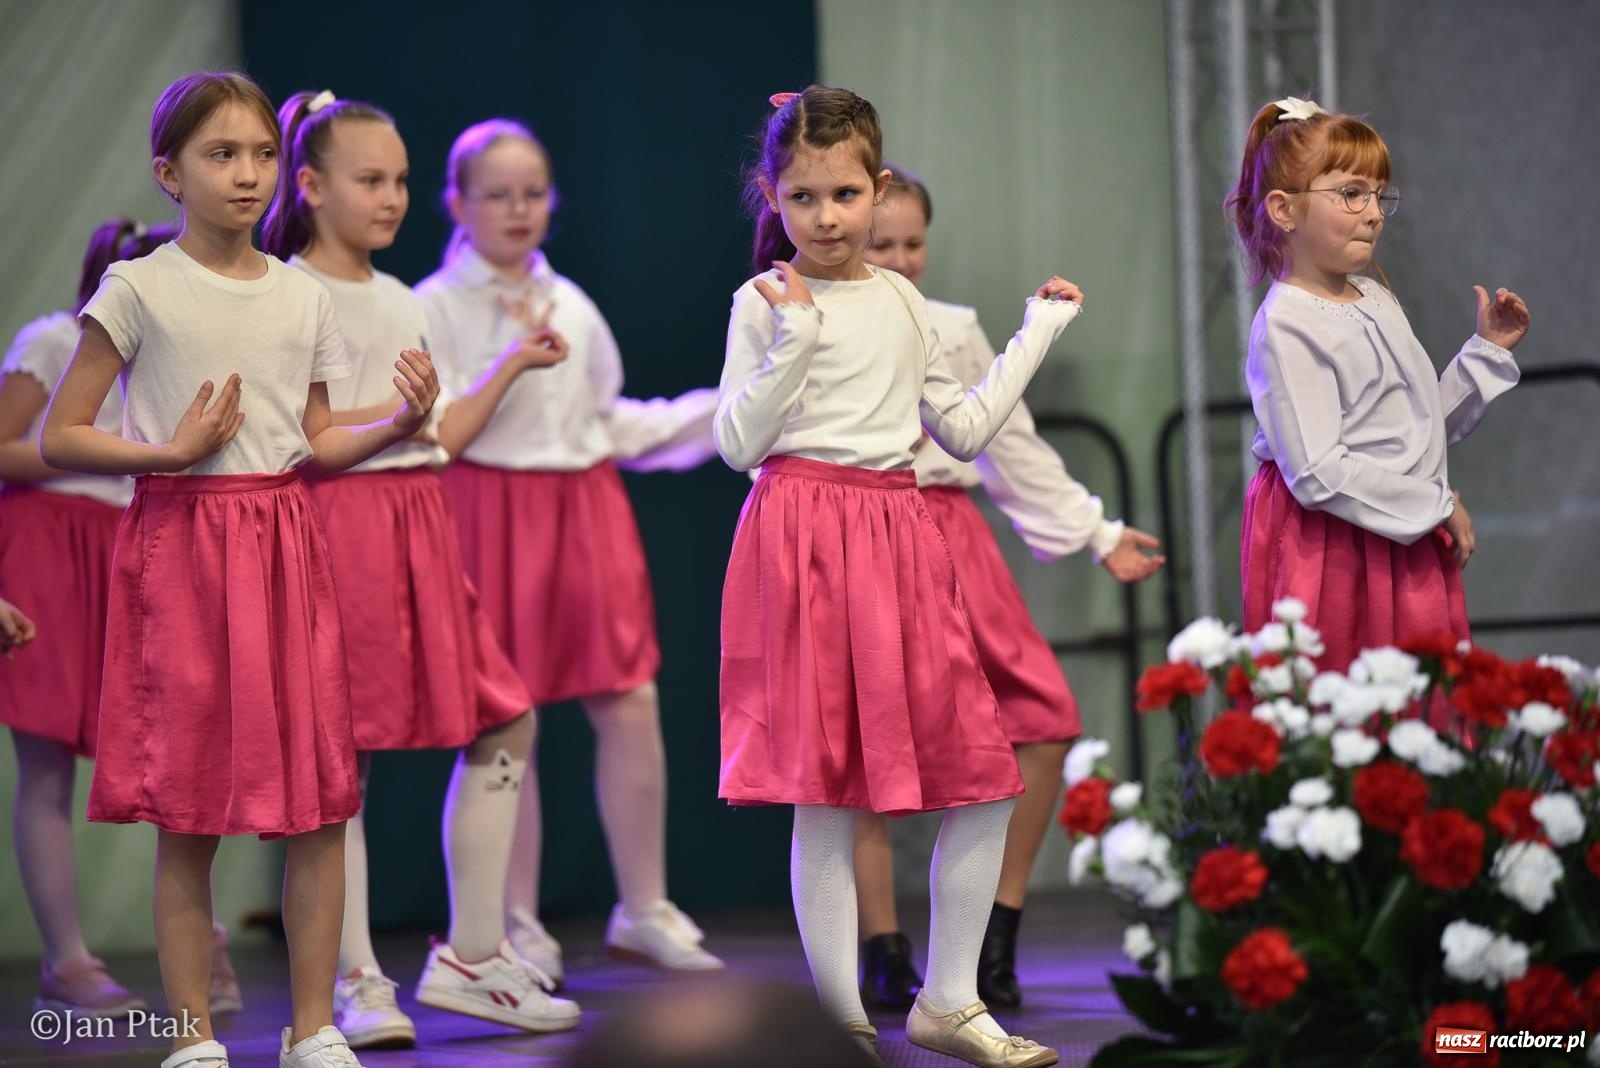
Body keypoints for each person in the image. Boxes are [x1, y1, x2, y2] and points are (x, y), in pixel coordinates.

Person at [41, 69, 439, 1068]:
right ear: (168, 172)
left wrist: (400, 423)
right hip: (181, 550)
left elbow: (307, 437)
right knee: (189, 808)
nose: (247, 174)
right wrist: (166, 455)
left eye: (262, 154)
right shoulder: (138, 288)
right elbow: (62, 434)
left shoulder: (302, 297)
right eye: (222, 155)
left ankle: (312, 1026)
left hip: (284, 551)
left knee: (315, 803)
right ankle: (191, 1032)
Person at [716, 84, 1078, 1068]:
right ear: (772, 196)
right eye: (802, 198)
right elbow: (738, 442)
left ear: (876, 191)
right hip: (799, 538)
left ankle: (948, 1000)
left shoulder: (906, 301)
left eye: (843, 195)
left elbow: (958, 428)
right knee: (827, 788)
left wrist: (1033, 337)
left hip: (897, 533)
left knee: (981, 769)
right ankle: (840, 1020)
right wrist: (792, 339)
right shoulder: (762, 301)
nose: (826, 218)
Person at [263, 88, 580, 1048]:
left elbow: (432, 433)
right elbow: (304, 439)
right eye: (371, 179)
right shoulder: (289, 295)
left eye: (401, 179)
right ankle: (354, 977)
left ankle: (474, 952)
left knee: (503, 718)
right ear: (310, 186)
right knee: (336, 763)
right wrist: (392, 427)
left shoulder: (400, 297)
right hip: (338, 527)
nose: (392, 196)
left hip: (414, 520)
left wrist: (512, 366)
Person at [415, 117, 723, 983]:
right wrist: (506, 361)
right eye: (498, 195)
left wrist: (726, 408)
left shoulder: (572, 303)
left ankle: (646, 906)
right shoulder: (433, 306)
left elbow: (607, 419)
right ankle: (510, 921)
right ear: (458, 203)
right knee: (508, 721)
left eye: (534, 193)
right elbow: (434, 427)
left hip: (586, 507)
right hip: (485, 511)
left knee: (628, 700)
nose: (519, 210)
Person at [855, 168, 1163, 1009]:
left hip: (951, 543)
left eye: (913, 242)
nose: (900, 258)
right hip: (862, 541)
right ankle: (881, 945)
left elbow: (1009, 444)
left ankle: (993, 935)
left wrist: (1098, 533)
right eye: (882, 242)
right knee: (859, 749)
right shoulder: (817, 318)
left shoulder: (950, 327)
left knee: (1041, 720)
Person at [1227, 96, 1528, 672]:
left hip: (1395, 527)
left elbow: (1415, 429)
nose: (1374, 213)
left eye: (1379, 194)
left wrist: (1485, 353)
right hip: (1333, 549)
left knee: (1420, 703)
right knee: (1350, 710)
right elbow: (1316, 471)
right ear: (1284, 210)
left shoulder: (1374, 296)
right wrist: (1436, 504)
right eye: (1351, 194)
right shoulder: (1288, 321)